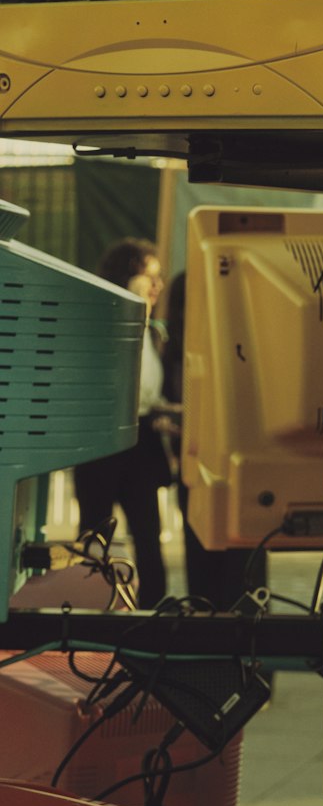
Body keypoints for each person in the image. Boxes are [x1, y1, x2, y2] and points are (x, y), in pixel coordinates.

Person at [73, 238, 170, 609]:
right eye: (149, 277)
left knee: (149, 536)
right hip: (102, 441)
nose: (157, 287)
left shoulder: (152, 332)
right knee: (96, 538)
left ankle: (152, 616)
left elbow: (144, 393)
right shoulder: (101, 327)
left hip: (142, 443)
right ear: (126, 279)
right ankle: (93, 611)